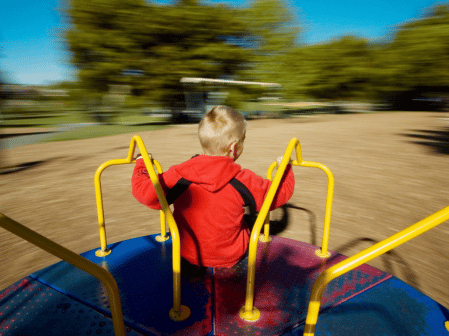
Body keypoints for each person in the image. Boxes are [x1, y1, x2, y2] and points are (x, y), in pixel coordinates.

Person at [132, 105, 294, 268]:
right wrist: (285, 169)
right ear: (234, 147)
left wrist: (142, 165)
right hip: (231, 257)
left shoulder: (180, 174)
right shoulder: (242, 179)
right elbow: (278, 194)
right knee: (250, 219)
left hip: (188, 254)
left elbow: (145, 193)